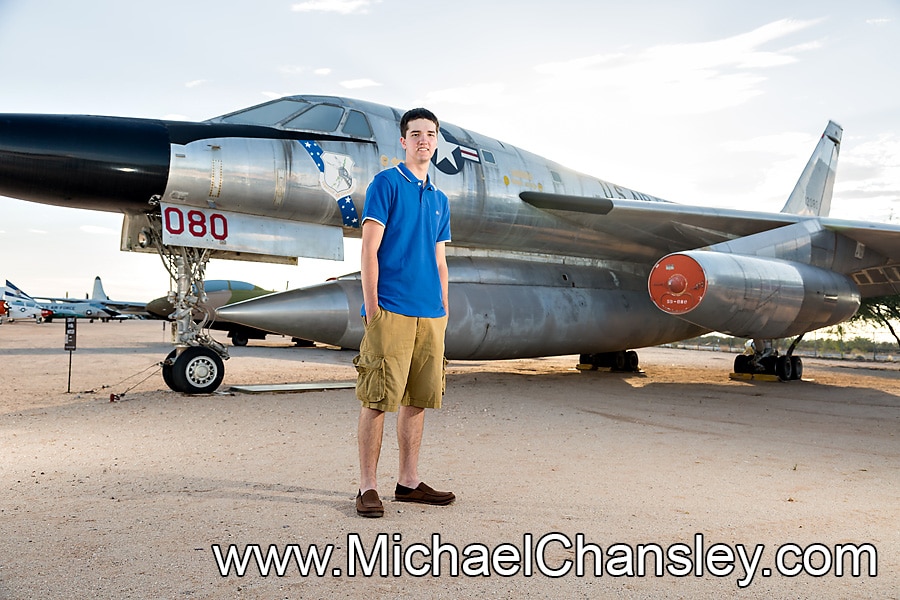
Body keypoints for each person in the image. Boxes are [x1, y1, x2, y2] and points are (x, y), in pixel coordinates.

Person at [353, 107, 454, 518]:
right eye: (415, 134)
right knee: (378, 399)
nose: (423, 140)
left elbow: (440, 259)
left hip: (431, 316)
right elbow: (368, 249)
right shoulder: (386, 184)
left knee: (417, 400)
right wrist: (374, 309)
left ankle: (409, 482)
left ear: (435, 140)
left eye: (430, 134)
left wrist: (444, 309)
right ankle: (367, 488)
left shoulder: (440, 199)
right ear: (403, 141)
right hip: (390, 310)